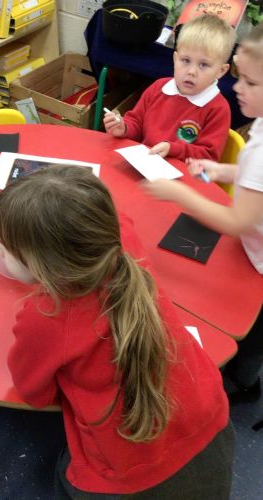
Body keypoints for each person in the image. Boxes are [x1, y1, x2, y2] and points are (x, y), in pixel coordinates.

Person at [0, 165, 234, 498]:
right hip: (210, 424)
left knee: (67, 480)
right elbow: (116, 217)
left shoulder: (45, 315)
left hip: (128, 473)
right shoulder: (117, 243)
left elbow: (35, 393)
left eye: (5, 247)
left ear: (45, 262)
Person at [145, 24, 263, 405]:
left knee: (253, 332)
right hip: (251, 246)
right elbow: (252, 175)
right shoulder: (260, 124)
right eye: (241, 77)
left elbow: (236, 221)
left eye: (250, 83)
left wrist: (180, 194)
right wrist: (223, 170)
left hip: (258, 257)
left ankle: (245, 383)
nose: (238, 88)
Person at [104, 14, 235, 161]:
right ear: (175, 59)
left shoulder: (218, 109)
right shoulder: (158, 87)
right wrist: (123, 128)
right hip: (145, 163)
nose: (191, 71)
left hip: (181, 174)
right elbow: (137, 123)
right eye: (186, 60)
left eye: (203, 65)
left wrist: (172, 149)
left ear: (221, 71)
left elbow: (208, 156)